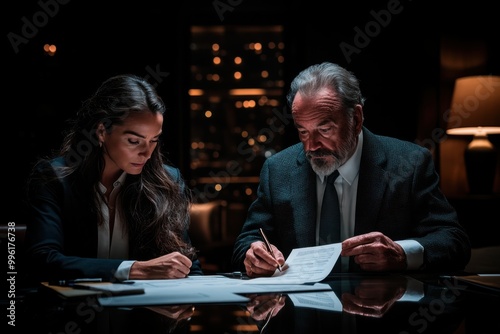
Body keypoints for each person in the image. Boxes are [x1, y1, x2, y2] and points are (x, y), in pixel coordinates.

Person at [231, 62, 471, 277]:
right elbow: (247, 240)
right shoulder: (278, 169)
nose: (311, 146)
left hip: (382, 314)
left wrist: (402, 254)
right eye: (303, 131)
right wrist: (254, 254)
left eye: (325, 130)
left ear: (356, 119)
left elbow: (454, 241)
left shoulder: (410, 163)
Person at [24, 74, 203, 282]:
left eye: (154, 140)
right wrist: (135, 269)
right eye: (134, 141)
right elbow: (43, 260)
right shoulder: (55, 179)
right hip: (69, 311)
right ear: (101, 131)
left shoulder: (167, 182)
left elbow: (190, 268)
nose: (147, 153)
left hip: (144, 312)